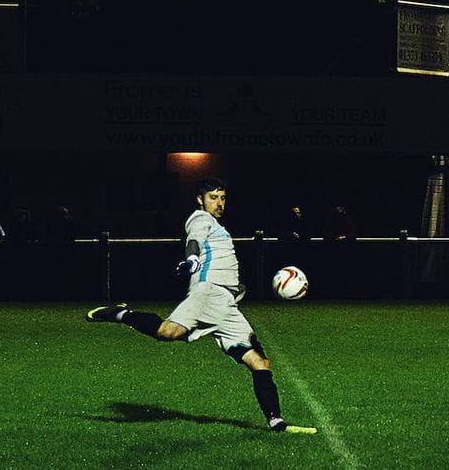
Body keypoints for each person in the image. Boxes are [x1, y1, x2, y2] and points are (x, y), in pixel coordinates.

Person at [85, 178, 293, 433]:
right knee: (167, 333)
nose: (219, 203)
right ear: (200, 200)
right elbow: (194, 240)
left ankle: (276, 421)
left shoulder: (218, 226)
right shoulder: (200, 219)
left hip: (227, 304)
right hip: (208, 293)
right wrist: (192, 259)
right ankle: (121, 314)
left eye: (223, 198)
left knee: (260, 362)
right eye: (213, 197)